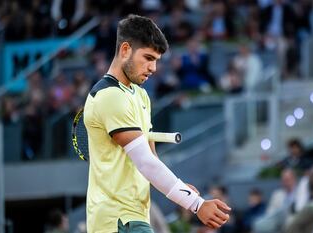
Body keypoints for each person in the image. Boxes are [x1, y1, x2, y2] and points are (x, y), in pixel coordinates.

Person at [83, 15, 231, 233]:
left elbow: (152, 159)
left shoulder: (140, 96)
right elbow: (145, 163)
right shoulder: (110, 97)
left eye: (156, 60)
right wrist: (196, 204)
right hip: (116, 219)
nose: (153, 68)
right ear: (125, 50)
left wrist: (181, 191)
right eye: (148, 57)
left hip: (134, 217)